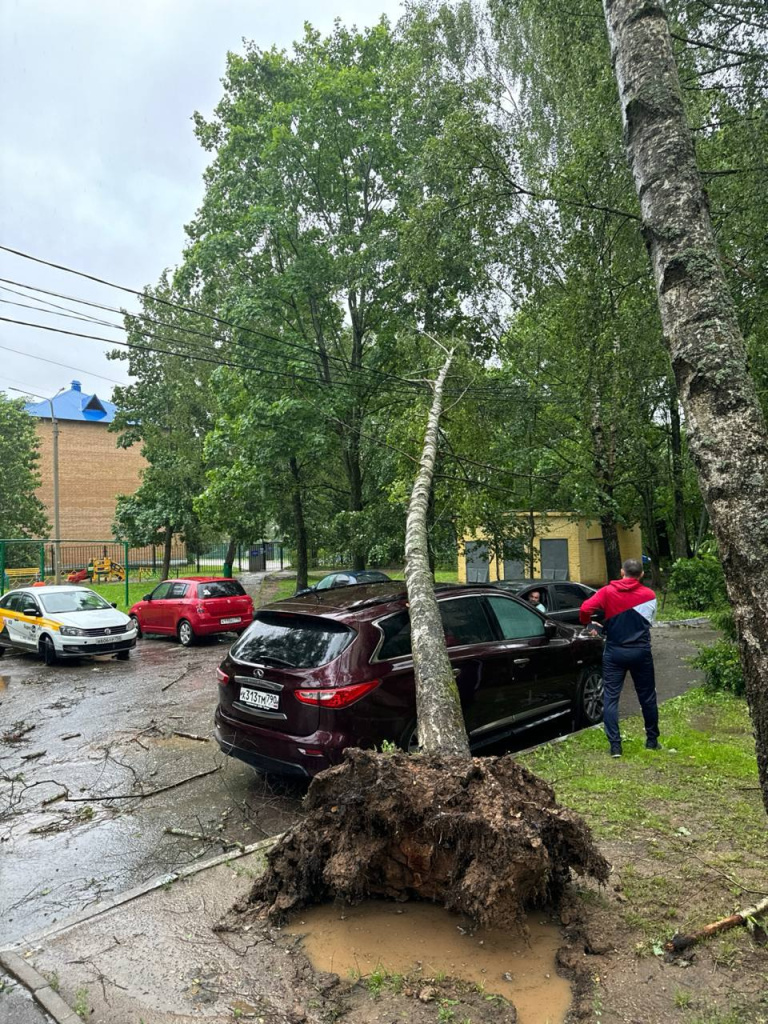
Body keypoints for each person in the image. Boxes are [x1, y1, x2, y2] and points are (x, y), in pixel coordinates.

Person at [579, 558, 659, 758]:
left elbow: (584, 610)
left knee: (611, 698)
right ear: (641, 575)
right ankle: (651, 741)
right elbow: (649, 621)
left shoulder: (607, 592)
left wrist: (589, 624)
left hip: (614, 651)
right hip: (641, 651)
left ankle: (615, 746)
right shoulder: (649, 595)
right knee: (647, 697)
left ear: (622, 572)